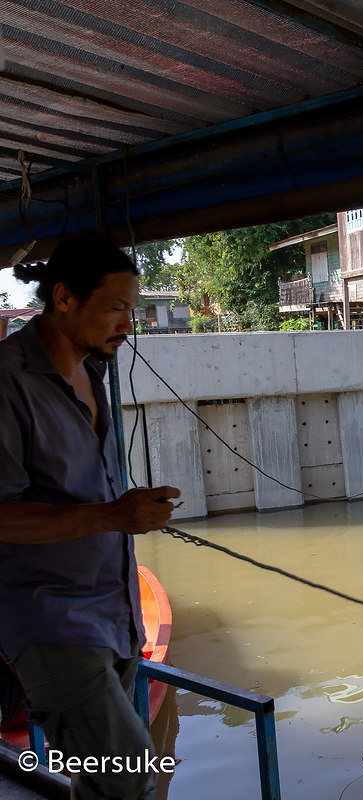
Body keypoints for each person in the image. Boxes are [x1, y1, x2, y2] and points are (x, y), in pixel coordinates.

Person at [0, 233, 181, 800]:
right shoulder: (7, 381)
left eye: (132, 309)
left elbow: (88, 495)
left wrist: (129, 509)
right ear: (63, 298)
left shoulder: (95, 374)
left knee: (100, 784)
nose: (128, 324)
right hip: (50, 620)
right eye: (116, 308)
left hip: (116, 610)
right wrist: (111, 515)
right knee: (129, 784)